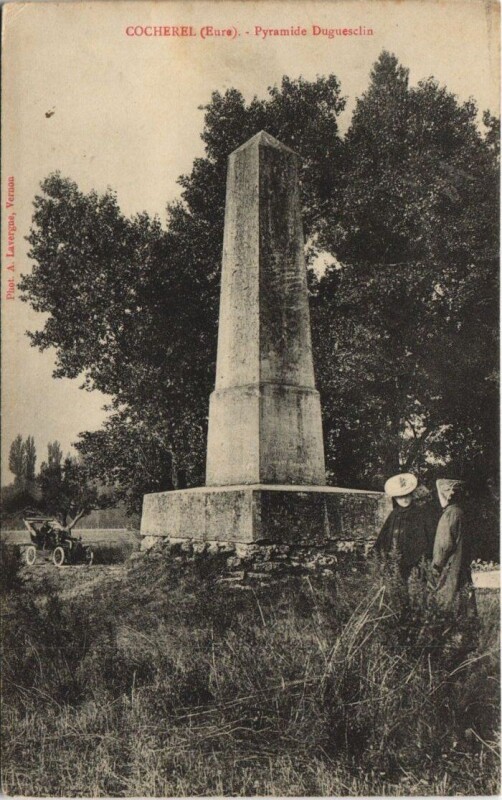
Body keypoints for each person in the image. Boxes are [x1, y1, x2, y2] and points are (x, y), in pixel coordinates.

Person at [374, 472, 437, 581]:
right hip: (394, 563)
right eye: (400, 497)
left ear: (412, 494)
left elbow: (428, 540)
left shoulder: (420, 513)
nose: (404, 499)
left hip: (414, 566)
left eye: (407, 495)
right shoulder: (394, 514)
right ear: (395, 498)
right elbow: (383, 538)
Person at [431, 479, 476, 616]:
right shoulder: (460, 512)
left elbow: (445, 544)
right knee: (463, 595)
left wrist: (436, 564)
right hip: (461, 562)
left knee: (448, 599)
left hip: (451, 564)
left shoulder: (450, 514)